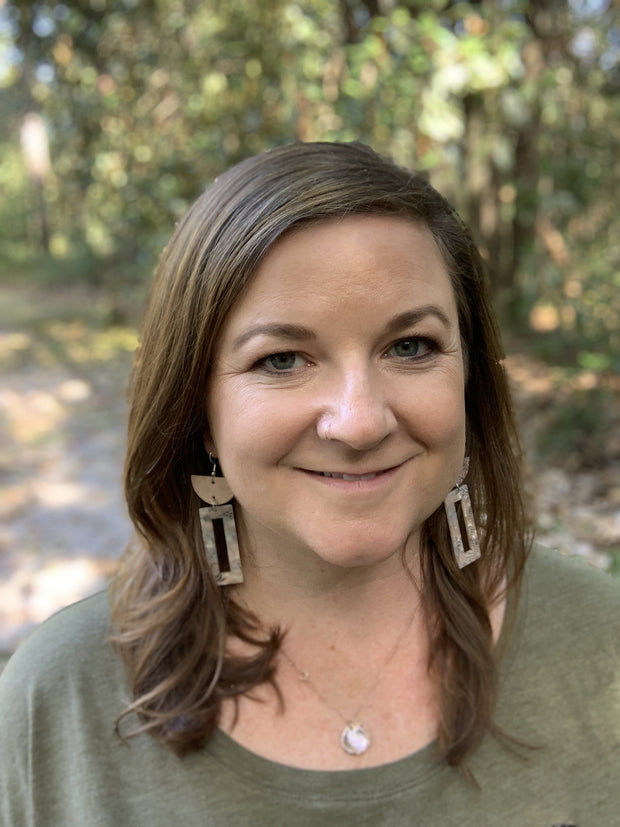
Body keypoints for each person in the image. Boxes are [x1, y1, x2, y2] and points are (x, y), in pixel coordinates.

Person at [0, 142, 618, 826]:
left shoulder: (602, 641)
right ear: (197, 410)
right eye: (283, 358)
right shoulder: (56, 703)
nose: (358, 421)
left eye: (409, 346)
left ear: (468, 380)